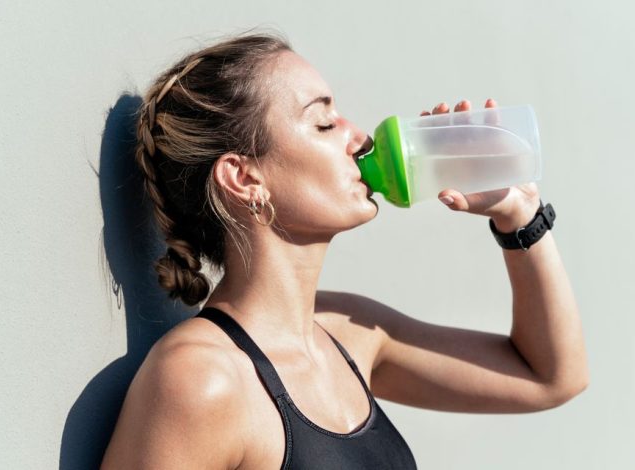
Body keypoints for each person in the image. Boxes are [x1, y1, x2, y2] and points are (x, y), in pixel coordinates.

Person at [100, 31, 589, 469]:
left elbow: (549, 377)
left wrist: (519, 215)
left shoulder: (351, 335)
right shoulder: (202, 379)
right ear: (245, 178)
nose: (359, 138)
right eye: (324, 123)